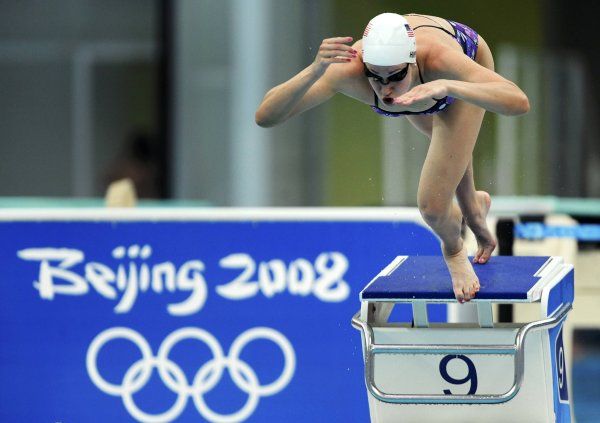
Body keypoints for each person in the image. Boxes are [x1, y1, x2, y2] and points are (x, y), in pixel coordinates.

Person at [255, 13, 530, 303]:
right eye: (375, 76)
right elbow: (265, 117)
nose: (386, 88)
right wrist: (314, 70)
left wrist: (450, 87)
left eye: (396, 76)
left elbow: (519, 102)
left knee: (433, 207)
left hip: (458, 66)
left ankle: (454, 248)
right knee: (448, 156)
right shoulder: (347, 69)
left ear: (411, 63)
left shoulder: (440, 61)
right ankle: (473, 207)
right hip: (422, 88)